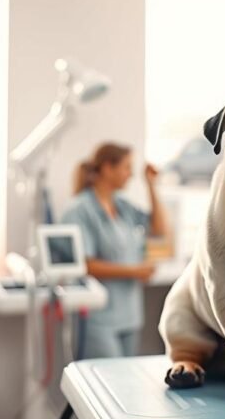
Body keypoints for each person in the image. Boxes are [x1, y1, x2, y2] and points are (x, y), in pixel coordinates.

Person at [61, 142, 169, 359]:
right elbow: (86, 265)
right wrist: (134, 272)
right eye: (127, 167)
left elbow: (159, 230)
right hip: (97, 318)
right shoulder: (79, 210)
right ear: (108, 168)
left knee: (125, 383)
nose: (130, 175)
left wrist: (151, 185)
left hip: (128, 314)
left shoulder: (121, 204)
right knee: (104, 385)